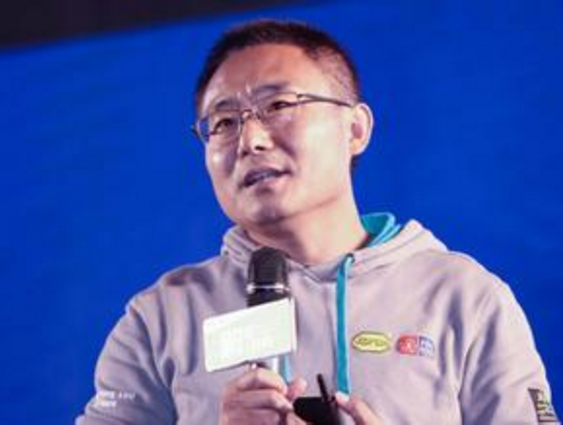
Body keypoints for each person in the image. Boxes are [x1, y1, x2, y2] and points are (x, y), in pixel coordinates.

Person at [76, 19, 558, 424]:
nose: (250, 140)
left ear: (355, 129)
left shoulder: (465, 298)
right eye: (223, 122)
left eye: (279, 106)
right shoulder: (161, 318)